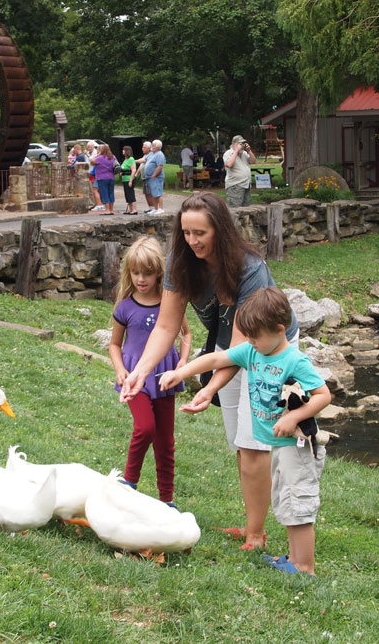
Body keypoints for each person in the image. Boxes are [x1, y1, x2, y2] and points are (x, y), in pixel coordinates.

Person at [120, 192, 300, 552]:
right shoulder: (180, 262)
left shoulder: (249, 268)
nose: (193, 241)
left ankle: (255, 536)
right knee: (240, 441)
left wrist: (206, 389)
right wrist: (140, 370)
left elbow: (240, 349)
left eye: (200, 233)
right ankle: (254, 526)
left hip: (268, 350)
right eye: (186, 232)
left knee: (253, 442)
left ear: (220, 229)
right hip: (226, 346)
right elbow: (166, 327)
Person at [159, 287, 329, 575]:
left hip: (297, 445)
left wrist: (295, 417)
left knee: (298, 506)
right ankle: (293, 559)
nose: (250, 342)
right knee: (285, 503)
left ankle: (305, 567)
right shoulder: (254, 351)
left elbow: (323, 395)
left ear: (279, 329)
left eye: (255, 336)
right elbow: (215, 360)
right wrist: (180, 372)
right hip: (281, 446)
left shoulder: (294, 361)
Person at [109, 237, 192, 506]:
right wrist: (120, 369)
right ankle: (129, 482)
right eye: (135, 273)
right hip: (136, 379)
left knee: (165, 442)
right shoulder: (124, 307)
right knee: (145, 427)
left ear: (160, 272)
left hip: (165, 376)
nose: (141, 279)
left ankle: (166, 500)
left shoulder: (170, 302)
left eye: (147, 273)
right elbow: (114, 344)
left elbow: (186, 334)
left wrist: (183, 362)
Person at [224, 134, 256, 207]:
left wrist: (249, 151)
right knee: (235, 208)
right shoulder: (228, 153)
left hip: (246, 184)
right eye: (240, 144)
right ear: (234, 144)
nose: (243, 145)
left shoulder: (244, 153)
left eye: (243, 143)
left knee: (246, 208)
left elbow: (253, 161)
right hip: (235, 185)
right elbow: (229, 164)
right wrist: (236, 152)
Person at [91, 144, 117, 215]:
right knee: (111, 193)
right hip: (111, 177)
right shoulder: (113, 157)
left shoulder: (100, 158)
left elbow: (92, 161)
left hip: (102, 178)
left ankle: (107, 210)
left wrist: (98, 154)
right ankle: (111, 210)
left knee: (104, 193)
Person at [146, 139, 167, 214]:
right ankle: (155, 208)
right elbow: (144, 159)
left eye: (153, 145)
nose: (152, 146)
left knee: (158, 193)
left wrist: (154, 174)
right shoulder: (152, 153)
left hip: (157, 177)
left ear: (157, 147)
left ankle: (161, 208)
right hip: (151, 177)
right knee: (153, 193)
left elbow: (160, 166)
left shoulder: (159, 154)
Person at [120, 145, 139, 215]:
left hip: (129, 179)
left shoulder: (131, 159)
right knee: (127, 194)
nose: (122, 151)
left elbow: (133, 170)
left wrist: (131, 180)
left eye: (124, 150)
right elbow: (123, 168)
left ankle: (134, 209)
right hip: (124, 179)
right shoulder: (125, 160)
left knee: (131, 193)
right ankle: (130, 209)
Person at [86, 141, 104, 211]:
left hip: (97, 174)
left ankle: (99, 204)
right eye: (88, 147)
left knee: (96, 189)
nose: (89, 148)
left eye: (90, 147)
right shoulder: (88, 153)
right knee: (94, 189)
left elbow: (92, 161)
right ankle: (98, 204)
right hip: (91, 173)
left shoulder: (96, 154)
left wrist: (89, 155)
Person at [140, 141, 156, 213]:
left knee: (150, 193)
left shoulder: (151, 155)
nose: (142, 148)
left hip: (149, 177)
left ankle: (154, 207)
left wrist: (133, 161)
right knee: (146, 193)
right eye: (142, 147)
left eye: (144, 147)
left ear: (149, 148)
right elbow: (142, 164)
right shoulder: (145, 155)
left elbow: (143, 161)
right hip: (144, 177)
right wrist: (137, 172)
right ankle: (151, 207)